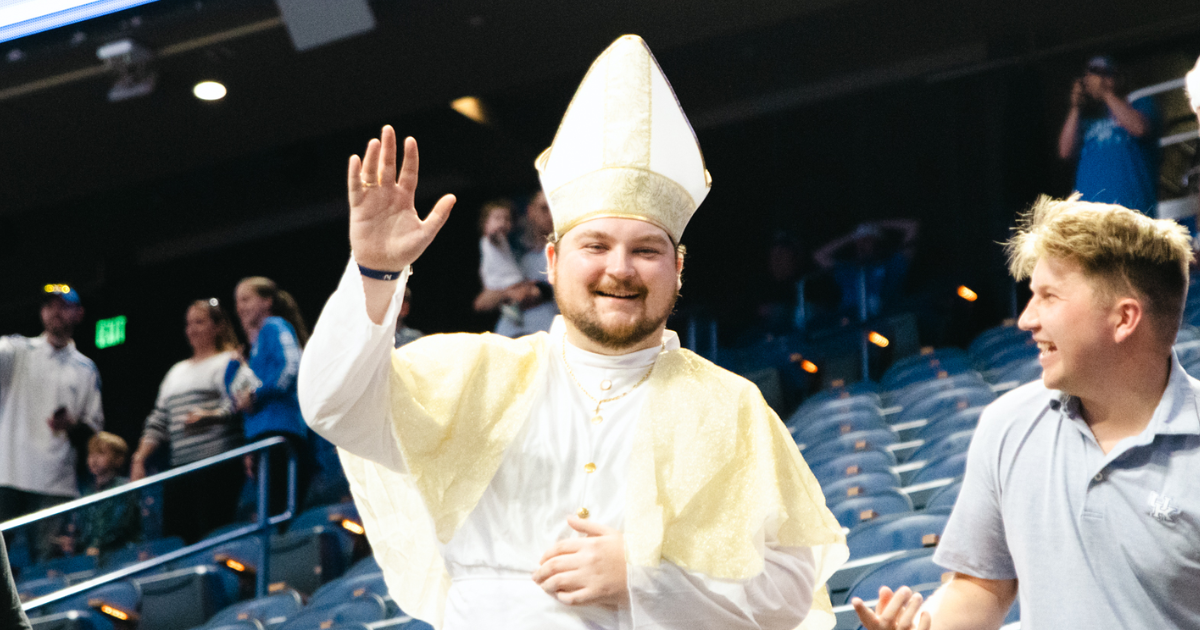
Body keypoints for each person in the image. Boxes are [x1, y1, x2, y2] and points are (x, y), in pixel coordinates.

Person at [299, 35, 846, 630]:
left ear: (678, 269)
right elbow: (334, 407)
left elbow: (789, 591)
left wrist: (643, 578)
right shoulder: (475, 374)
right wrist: (375, 271)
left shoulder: (727, 406)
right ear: (554, 262)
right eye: (596, 246)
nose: (620, 268)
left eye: (645, 250)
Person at [853, 194, 1200, 630]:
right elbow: (980, 587)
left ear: (1124, 318)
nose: (1026, 319)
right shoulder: (1006, 424)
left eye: (1048, 297)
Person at [129, 299, 250, 543]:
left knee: (215, 537)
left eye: (199, 322)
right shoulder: (176, 372)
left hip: (218, 469)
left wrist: (210, 415)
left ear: (217, 326)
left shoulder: (229, 361)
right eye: (188, 324)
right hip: (181, 473)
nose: (192, 329)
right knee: (179, 540)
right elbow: (158, 422)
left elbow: (243, 402)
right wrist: (140, 457)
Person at [0, 284, 103, 561]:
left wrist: (71, 426)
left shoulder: (86, 368)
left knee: (48, 564)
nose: (55, 311)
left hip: (55, 482)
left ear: (79, 313)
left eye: (63, 305)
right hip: (8, 474)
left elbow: (94, 428)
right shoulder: (18, 350)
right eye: (50, 305)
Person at [234, 277, 312, 517]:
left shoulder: (274, 326)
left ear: (267, 301)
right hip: (261, 438)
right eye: (237, 301)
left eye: (246, 299)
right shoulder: (252, 347)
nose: (240, 307)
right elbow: (241, 397)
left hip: (281, 433)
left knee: (281, 513)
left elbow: (291, 367)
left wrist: (256, 394)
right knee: (270, 514)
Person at [1057, 55, 1160, 215]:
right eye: (1090, 74)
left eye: (1101, 73)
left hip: (1132, 212)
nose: (1095, 79)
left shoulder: (1140, 103)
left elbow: (1139, 128)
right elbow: (1065, 151)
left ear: (1117, 77)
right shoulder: (1085, 119)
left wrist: (1105, 93)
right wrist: (1076, 107)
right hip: (1090, 217)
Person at [474, 192, 560, 336]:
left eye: (554, 208)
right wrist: (510, 292)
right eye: (544, 208)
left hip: (547, 333)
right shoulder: (515, 255)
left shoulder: (567, 252)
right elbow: (483, 302)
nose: (551, 215)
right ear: (530, 211)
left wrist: (538, 291)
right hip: (510, 334)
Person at [54, 432, 140, 559]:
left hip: (120, 552)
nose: (94, 459)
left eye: (100, 453)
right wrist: (74, 543)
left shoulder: (124, 488)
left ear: (118, 459)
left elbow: (122, 526)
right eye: (91, 454)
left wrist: (100, 547)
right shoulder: (86, 493)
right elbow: (84, 529)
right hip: (90, 555)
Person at [813, 219, 918, 319]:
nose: (862, 245)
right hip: (851, 324)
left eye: (867, 241)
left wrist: (878, 224)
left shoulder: (891, 265)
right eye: (859, 241)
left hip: (885, 319)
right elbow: (819, 255)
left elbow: (912, 226)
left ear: (877, 243)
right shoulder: (847, 270)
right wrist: (852, 236)